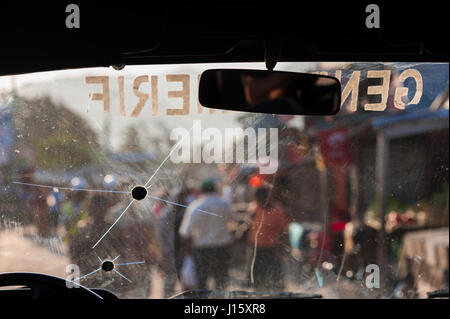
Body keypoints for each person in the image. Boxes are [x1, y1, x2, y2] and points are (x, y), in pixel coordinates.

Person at [179, 179, 234, 291]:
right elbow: (233, 223)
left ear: (201, 191)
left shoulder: (195, 206)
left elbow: (185, 233)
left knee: (202, 281)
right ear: (215, 189)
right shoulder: (224, 204)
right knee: (221, 280)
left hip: (202, 249)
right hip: (222, 248)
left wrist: (188, 252)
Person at [247, 186, 290, 291]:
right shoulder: (254, 208)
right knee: (256, 275)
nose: (259, 201)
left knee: (274, 274)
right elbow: (250, 224)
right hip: (256, 247)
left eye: (261, 199)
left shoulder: (277, 210)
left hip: (271, 247)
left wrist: (284, 247)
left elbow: (283, 229)